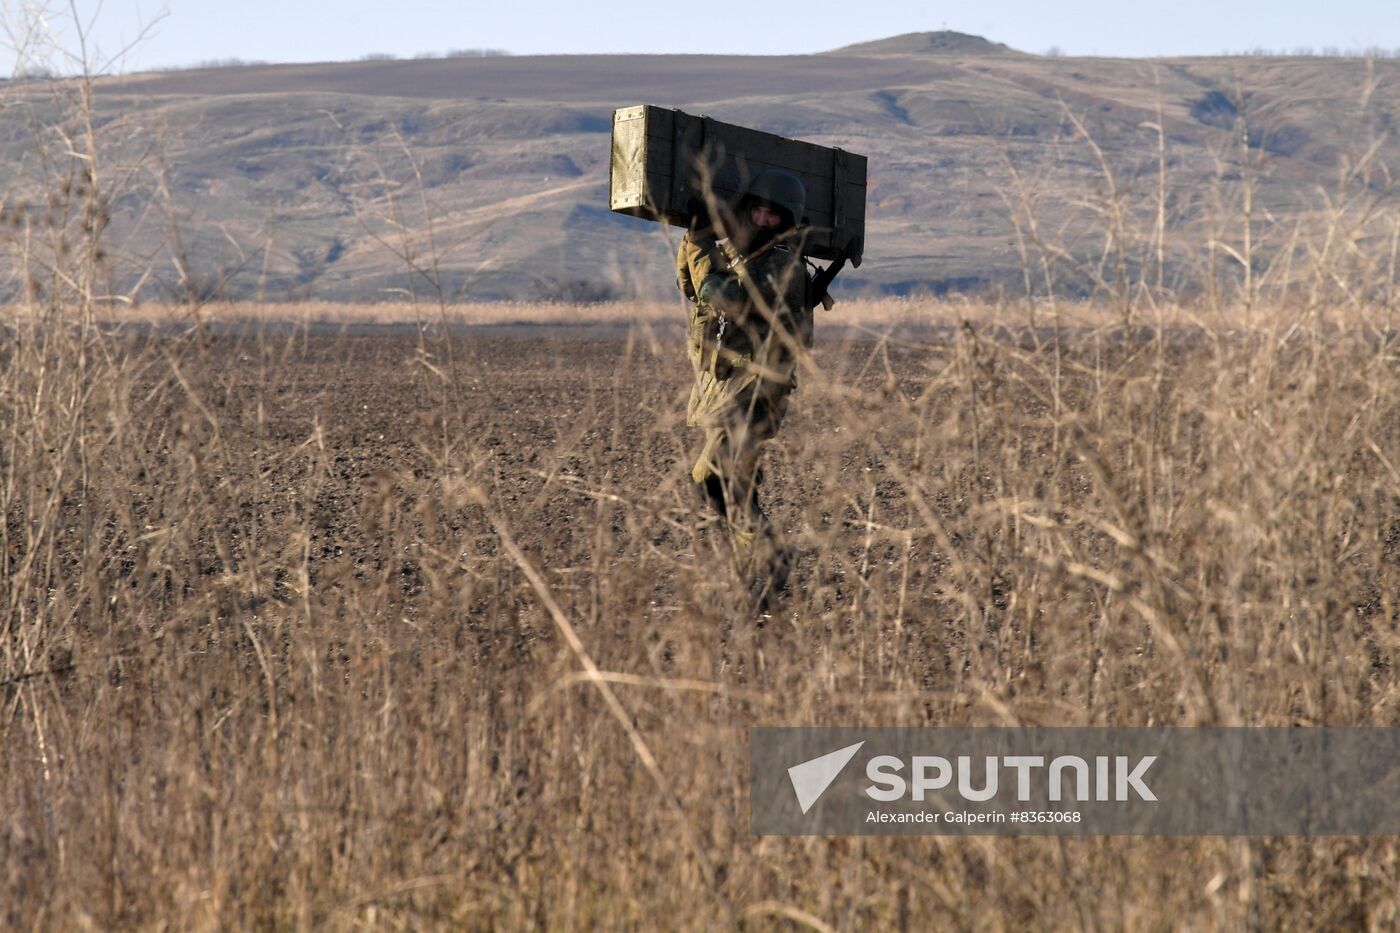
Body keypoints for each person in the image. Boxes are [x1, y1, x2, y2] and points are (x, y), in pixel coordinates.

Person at [675, 168, 814, 606]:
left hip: (754, 397)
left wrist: (701, 247)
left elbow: (721, 296)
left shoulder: (782, 266)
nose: (762, 219)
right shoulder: (749, 260)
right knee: (729, 485)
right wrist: (695, 240)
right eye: (757, 210)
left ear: (788, 222)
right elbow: (691, 287)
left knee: (713, 480)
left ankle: (771, 562)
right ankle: (755, 576)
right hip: (738, 391)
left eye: (773, 215)